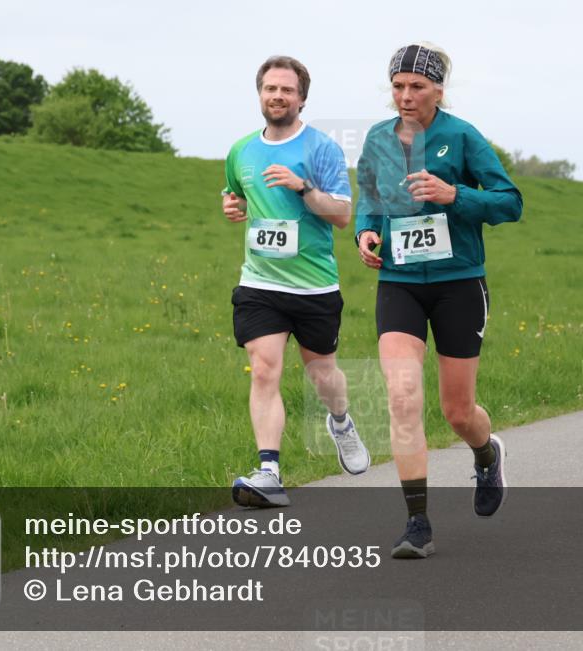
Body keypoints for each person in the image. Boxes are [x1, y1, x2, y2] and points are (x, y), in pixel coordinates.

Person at [355, 43, 523, 557]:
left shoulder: (463, 136)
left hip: (458, 284)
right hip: (400, 283)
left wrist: (456, 196)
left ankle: (486, 453)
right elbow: (370, 197)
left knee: (456, 411)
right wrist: (366, 232)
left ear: (438, 90)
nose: (405, 96)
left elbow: (510, 203)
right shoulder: (378, 138)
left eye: (417, 86)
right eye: (398, 86)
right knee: (403, 397)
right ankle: (417, 523)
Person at [224, 55, 370, 508]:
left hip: (313, 285)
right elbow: (235, 196)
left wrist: (301, 187)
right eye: (271, 88)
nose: (278, 96)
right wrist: (233, 209)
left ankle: (341, 422)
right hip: (261, 283)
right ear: (260, 94)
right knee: (264, 367)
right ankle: (269, 472)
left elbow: (343, 215)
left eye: (287, 90)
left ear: (302, 98)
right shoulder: (241, 150)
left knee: (322, 374)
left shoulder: (322, 149)